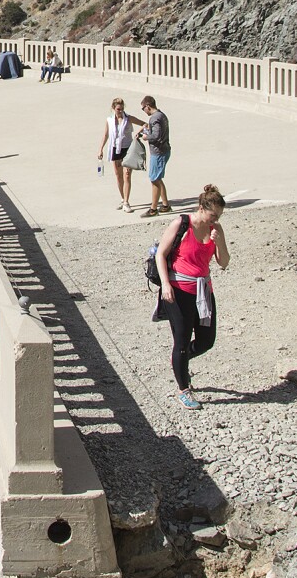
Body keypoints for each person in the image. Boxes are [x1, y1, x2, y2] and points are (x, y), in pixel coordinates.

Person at [153, 185, 230, 409]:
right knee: (182, 340)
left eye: (218, 216)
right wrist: (166, 284)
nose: (214, 219)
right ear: (201, 208)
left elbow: (223, 262)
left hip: (203, 290)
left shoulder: (216, 229)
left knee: (207, 340)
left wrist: (220, 241)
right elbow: (161, 254)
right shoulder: (182, 224)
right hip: (178, 291)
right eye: (212, 215)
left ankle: (180, 362)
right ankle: (184, 388)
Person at [95, 98, 142, 212]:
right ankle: (123, 198)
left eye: (122, 109)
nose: (120, 111)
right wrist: (100, 149)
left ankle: (126, 202)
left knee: (127, 175)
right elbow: (105, 135)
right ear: (113, 108)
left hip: (127, 149)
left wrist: (138, 134)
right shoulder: (109, 120)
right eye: (118, 109)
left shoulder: (129, 118)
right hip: (115, 149)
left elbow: (144, 124)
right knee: (118, 176)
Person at [139, 96, 171, 216]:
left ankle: (153, 209)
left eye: (143, 108)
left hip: (158, 152)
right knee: (158, 178)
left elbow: (156, 136)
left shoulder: (155, 118)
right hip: (164, 150)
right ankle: (165, 205)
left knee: (154, 180)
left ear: (148, 106)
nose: (144, 111)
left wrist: (146, 137)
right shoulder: (162, 115)